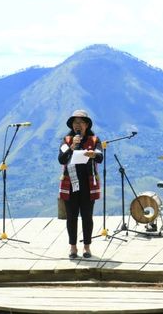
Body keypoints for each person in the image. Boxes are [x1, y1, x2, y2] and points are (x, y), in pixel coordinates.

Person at [58, 109, 103, 259]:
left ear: (87, 125)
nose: (78, 125)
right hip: (70, 184)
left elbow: (100, 156)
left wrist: (93, 154)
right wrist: (72, 148)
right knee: (71, 217)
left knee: (87, 216)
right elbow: (61, 159)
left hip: (88, 185)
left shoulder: (95, 140)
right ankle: (73, 247)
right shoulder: (67, 140)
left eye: (81, 122)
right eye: (75, 122)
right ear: (72, 125)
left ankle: (87, 247)